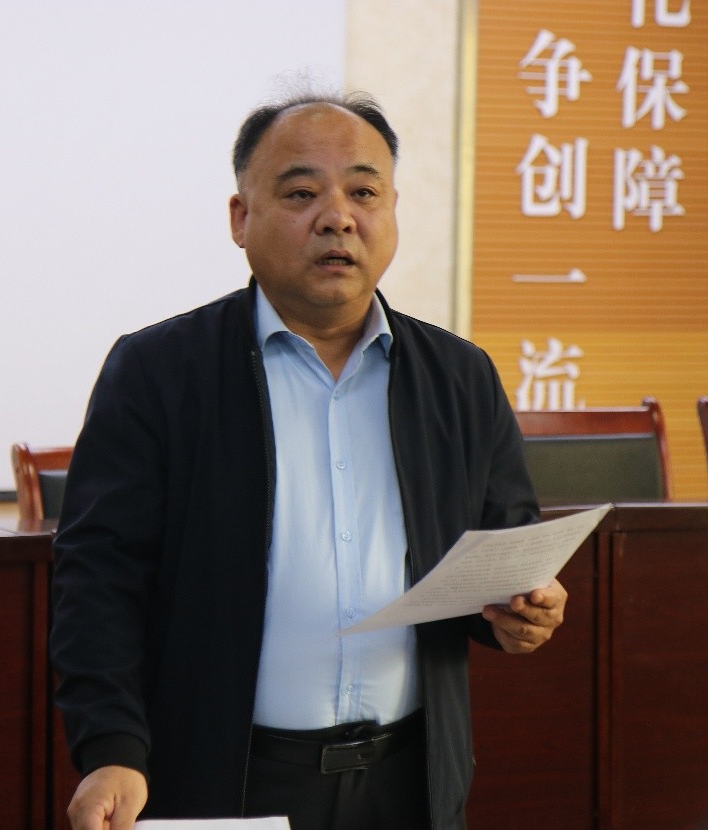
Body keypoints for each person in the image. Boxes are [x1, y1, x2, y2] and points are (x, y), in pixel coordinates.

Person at [49, 90, 568, 830]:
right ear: (240, 218)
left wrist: (521, 612)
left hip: (410, 781)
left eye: (364, 192)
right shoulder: (158, 371)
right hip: (229, 779)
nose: (337, 217)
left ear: (392, 210)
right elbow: (98, 578)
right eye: (301, 193)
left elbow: (501, 546)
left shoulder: (459, 376)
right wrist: (110, 748)